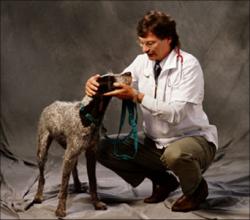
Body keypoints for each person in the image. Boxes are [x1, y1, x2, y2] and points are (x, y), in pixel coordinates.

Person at [85, 10, 218, 212]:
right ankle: (164, 181)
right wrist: (97, 83)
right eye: (141, 43)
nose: (145, 49)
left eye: (150, 43)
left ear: (168, 39)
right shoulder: (142, 62)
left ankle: (196, 190)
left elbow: (175, 114)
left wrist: (137, 96)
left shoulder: (189, 66)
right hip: (155, 142)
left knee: (175, 155)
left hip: (193, 140)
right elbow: (120, 80)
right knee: (101, 148)